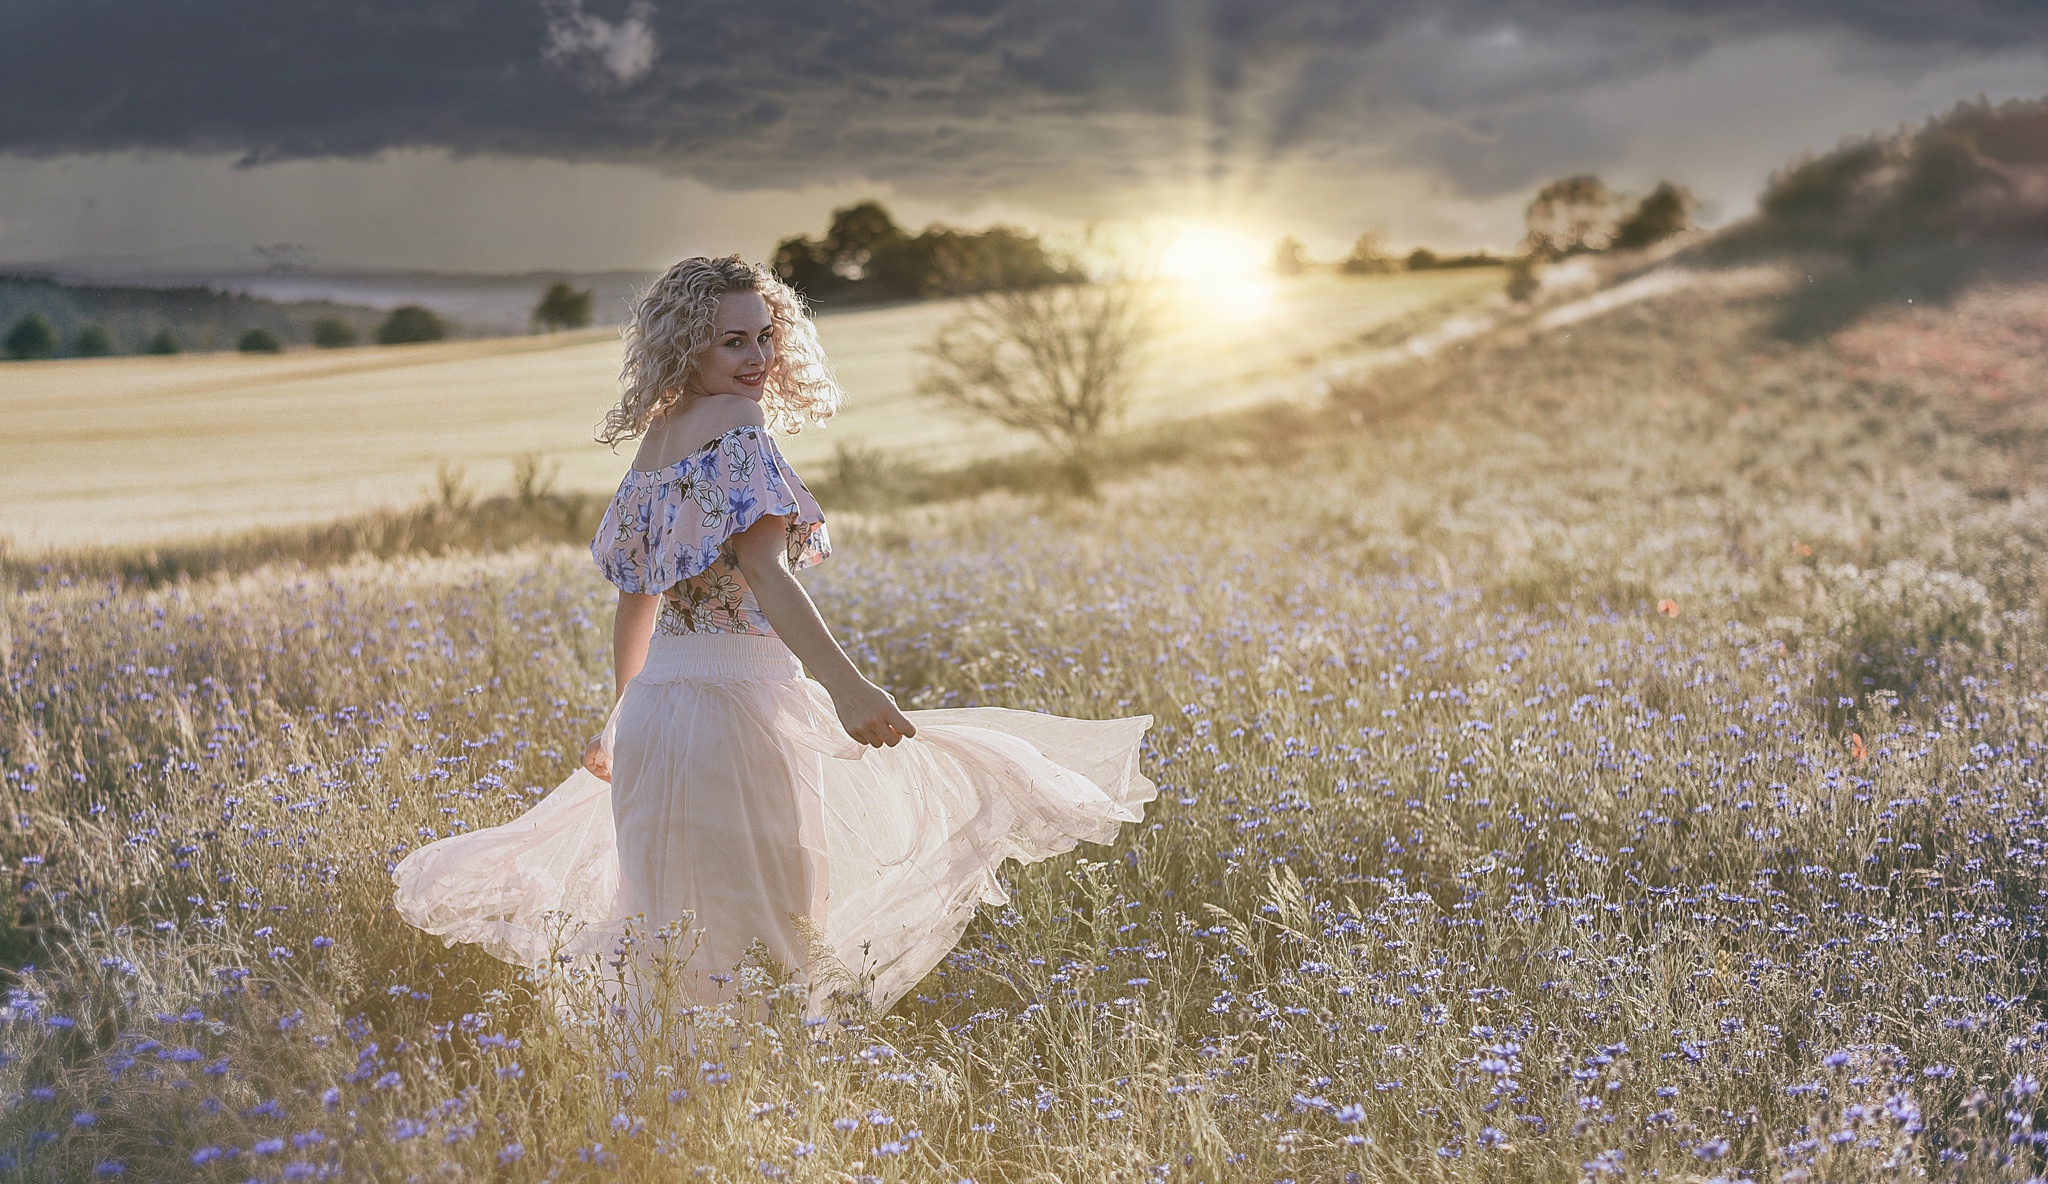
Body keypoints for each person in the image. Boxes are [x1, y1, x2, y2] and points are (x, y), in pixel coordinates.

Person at [392, 255, 1154, 1029]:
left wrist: (620, 716)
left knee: (669, 924)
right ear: (688, 345)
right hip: (737, 705)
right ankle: (764, 1096)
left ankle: (669, 1094)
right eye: (732, 342)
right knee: (777, 923)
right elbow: (763, 570)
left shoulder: (657, 441)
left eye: (764, 337)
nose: (756, 359)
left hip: (657, 712)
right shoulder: (737, 425)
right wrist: (849, 687)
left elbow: (636, 602)